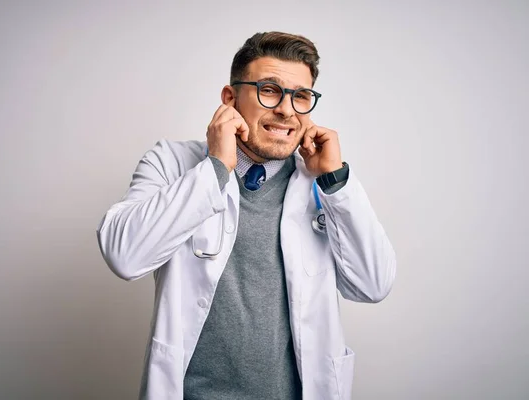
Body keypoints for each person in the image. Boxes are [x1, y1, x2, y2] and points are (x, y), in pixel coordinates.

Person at [96, 31, 396, 400]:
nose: (287, 109)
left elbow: (373, 285)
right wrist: (216, 169)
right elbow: (125, 256)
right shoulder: (171, 163)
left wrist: (336, 183)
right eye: (269, 89)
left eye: (301, 96)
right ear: (230, 98)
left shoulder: (322, 182)